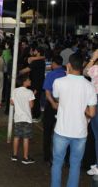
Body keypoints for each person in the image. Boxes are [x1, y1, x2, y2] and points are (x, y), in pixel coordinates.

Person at [51, 53, 96, 187]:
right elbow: (92, 113)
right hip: (80, 132)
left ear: (69, 65)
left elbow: (57, 98)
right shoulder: (89, 86)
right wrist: (83, 109)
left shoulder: (59, 82)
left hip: (61, 130)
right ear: (82, 66)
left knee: (57, 163)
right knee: (75, 165)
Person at [42, 55, 66, 165]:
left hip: (52, 106)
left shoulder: (51, 74)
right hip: (65, 106)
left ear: (54, 63)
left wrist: (52, 103)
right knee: (62, 132)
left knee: (47, 130)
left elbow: (47, 92)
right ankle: (63, 156)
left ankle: (48, 157)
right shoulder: (66, 74)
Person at [10, 74, 36, 164]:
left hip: (17, 117)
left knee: (16, 137)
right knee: (26, 138)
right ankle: (25, 157)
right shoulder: (29, 92)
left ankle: (14, 155)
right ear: (24, 81)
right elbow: (31, 105)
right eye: (29, 80)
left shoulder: (15, 91)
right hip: (27, 118)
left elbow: (12, 102)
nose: (30, 81)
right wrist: (33, 96)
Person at [20, 46, 45, 121]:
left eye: (35, 50)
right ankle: (35, 114)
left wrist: (18, 72)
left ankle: (36, 115)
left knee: (35, 99)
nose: (33, 51)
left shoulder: (37, 61)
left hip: (36, 82)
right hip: (38, 82)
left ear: (38, 52)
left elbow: (27, 69)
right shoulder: (41, 60)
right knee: (35, 98)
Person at [84, 49, 98, 175]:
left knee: (97, 133)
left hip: (96, 100)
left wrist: (93, 58)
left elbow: (85, 71)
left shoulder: (95, 69)